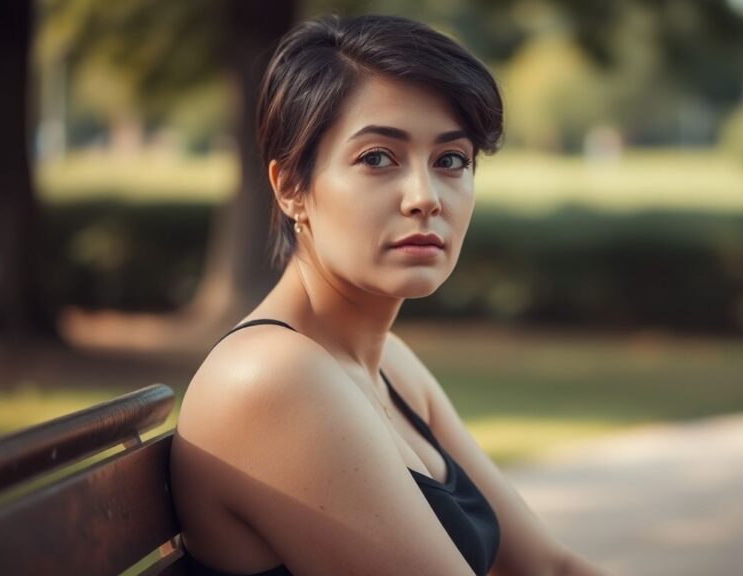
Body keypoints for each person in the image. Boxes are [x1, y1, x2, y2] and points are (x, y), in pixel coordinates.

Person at [170, 13, 610, 576]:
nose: (425, 197)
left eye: (451, 160)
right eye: (377, 157)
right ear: (290, 187)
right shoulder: (271, 379)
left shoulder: (390, 365)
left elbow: (548, 566)